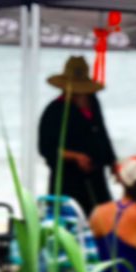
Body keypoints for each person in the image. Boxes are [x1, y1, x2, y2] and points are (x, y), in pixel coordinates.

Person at [38, 56, 117, 217]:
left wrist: (112, 162)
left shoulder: (93, 102)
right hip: (67, 181)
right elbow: (45, 149)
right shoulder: (54, 111)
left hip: (96, 178)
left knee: (103, 219)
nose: (83, 96)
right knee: (71, 219)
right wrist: (75, 156)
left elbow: (102, 133)